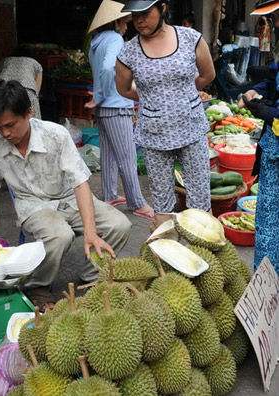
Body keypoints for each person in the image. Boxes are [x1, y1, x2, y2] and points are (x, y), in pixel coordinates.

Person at [0, 80, 132, 310]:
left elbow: (80, 183)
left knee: (119, 224)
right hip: (33, 206)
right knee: (60, 235)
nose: (5, 133)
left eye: (10, 125)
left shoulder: (56, 135)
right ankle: (37, 286)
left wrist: (91, 232)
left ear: (29, 113)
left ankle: (92, 277)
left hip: (68, 197)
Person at [116, 0, 216, 227]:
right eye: (135, 15)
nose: (139, 20)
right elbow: (123, 89)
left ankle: (203, 252)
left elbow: (207, 75)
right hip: (154, 134)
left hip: (191, 128)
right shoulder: (129, 51)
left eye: (145, 13)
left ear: (161, 8)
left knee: (200, 195)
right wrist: (152, 100)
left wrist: (185, 95)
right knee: (162, 200)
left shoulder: (190, 38)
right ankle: (167, 254)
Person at [86, 0, 154, 219]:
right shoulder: (115, 39)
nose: (127, 25)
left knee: (109, 155)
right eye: (125, 21)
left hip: (105, 109)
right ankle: (137, 203)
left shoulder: (95, 42)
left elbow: (100, 70)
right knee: (127, 156)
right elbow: (108, 68)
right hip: (116, 105)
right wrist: (99, 96)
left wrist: (98, 97)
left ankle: (110, 195)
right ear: (115, 22)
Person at [239, 0, 279, 275]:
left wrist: (268, 111)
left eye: (277, 18)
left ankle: (270, 285)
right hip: (272, 149)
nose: (275, 24)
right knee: (268, 220)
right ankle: (266, 291)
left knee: (271, 225)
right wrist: (257, 90)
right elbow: (274, 77)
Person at [0, 48, 43, 119]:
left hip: (2, 89)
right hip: (27, 89)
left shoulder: (5, 61)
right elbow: (37, 88)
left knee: (2, 117)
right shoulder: (36, 64)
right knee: (30, 120)